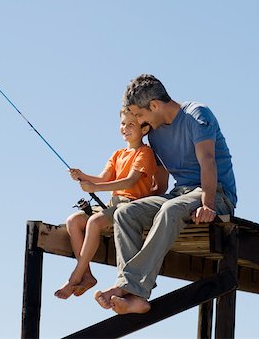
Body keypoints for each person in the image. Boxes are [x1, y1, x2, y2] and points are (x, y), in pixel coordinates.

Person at [95, 74, 237, 315]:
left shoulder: (197, 115)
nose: (138, 122)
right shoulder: (155, 135)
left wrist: (209, 204)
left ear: (154, 105)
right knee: (125, 214)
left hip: (215, 194)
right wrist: (137, 203)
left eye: (139, 115)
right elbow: (160, 187)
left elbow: (208, 160)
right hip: (179, 194)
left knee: (170, 210)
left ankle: (131, 288)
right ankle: (134, 296)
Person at [55, 107, 165, 300]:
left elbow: (130, 181)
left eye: (131, 124)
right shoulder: (117, 154)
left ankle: (75, 275)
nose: (125, 128)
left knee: (94, 222)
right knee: (74, 220)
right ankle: (87, 275)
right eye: (123, 124)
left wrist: (94, 188)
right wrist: (82, 176)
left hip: (129, 206)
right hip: (112, 204)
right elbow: (103, 178)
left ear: (144, 129)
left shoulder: (145, 153)